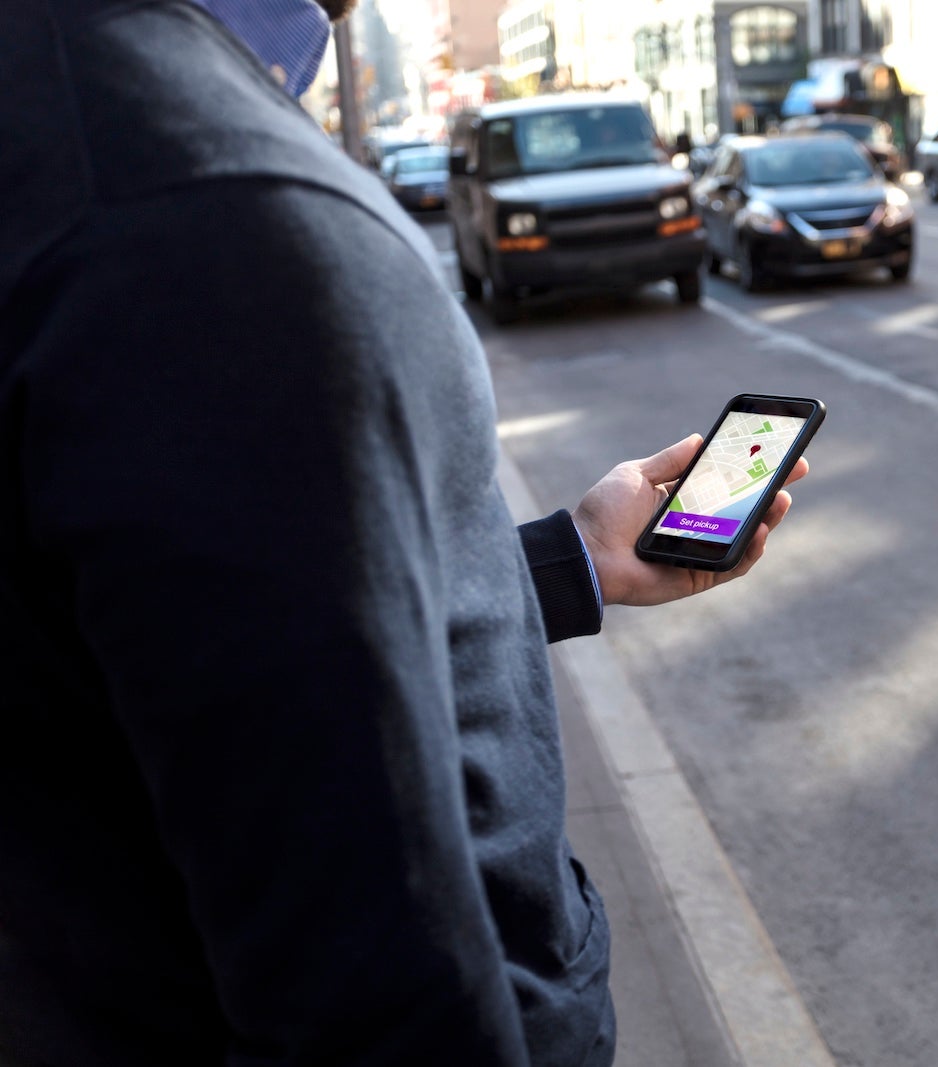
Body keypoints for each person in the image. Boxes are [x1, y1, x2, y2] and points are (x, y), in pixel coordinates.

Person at [0, 1, 807, 1064]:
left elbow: (195, 644)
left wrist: (568, 563)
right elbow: (363, 984)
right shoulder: (211, 219)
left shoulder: (73, 97)